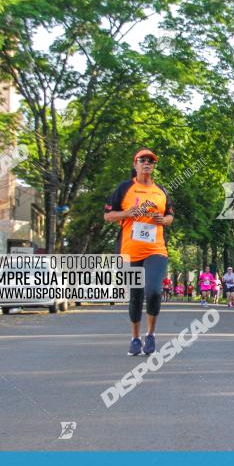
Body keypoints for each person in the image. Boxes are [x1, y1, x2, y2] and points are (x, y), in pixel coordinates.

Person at [103, 148, 174, 356]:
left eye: (150, 162)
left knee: (153, 291)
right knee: (135, 296)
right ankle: (135, 338)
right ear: (135, 165)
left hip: (156, 250)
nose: (147, 164)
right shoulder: (124, 188)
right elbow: (108, 216)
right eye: (142, 160)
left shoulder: (161, 191)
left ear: (153, 167)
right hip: (129, 251)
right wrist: (127, 213)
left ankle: (150, 335)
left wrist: (165, 220)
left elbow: (170, 215)